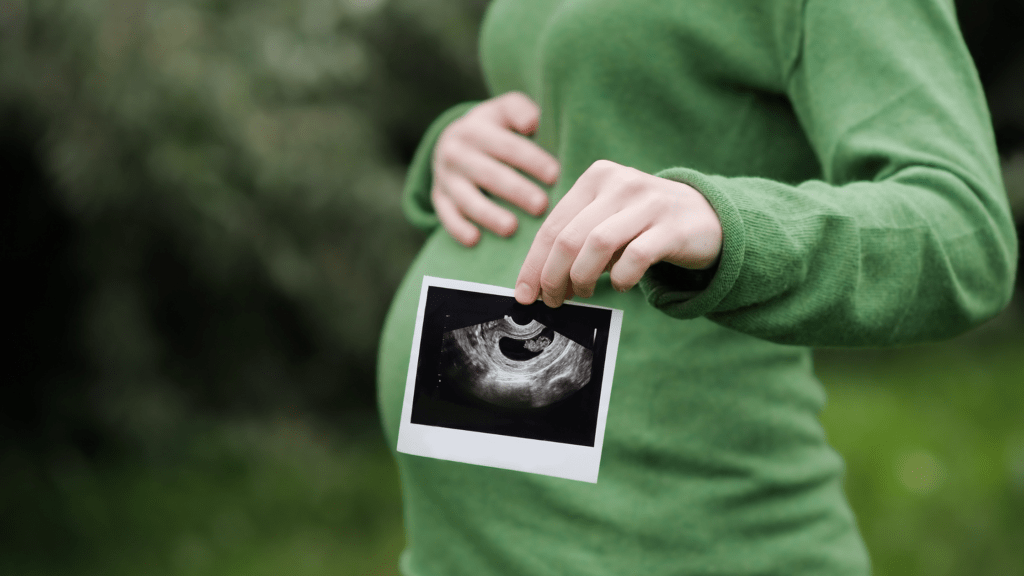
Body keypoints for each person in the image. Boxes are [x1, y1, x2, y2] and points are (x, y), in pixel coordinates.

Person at [377, 0, 1018, 574]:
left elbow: (965, 232)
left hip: (668, 525)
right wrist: (460, 144)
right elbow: (604, 116)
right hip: (469, 532)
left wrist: (727, 221)